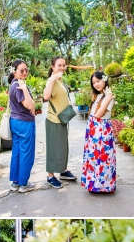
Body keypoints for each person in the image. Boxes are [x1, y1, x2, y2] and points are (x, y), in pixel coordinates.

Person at [42, 56, 78, 188]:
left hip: (62, 120)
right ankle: (50, 176)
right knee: (53, 148)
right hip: (54, 120)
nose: (62, 68)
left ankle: (62, 171)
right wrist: (52, 79)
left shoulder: (60, 80)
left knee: (63, 148)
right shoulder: (52, 80)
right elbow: (46, 96)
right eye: (59, 65)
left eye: (64, 65)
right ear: (53, 67)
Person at [81, 70, 117, 193]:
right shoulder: (100, 95)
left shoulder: (109, 96)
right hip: (94, 128)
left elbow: (99, 115)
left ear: (105, 79)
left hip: (102, 129)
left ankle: (104, 186)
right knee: (94, 156)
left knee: (103, 157)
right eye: (94, 82)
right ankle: (94, 184)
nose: (96, 84)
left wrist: (107, 98)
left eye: (98, 81)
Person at [7, 59, 37, 193]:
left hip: (15, 121)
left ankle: (16, 182)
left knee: (17, 153)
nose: (25, 73)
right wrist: (25, 89)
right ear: (14, 72)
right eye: (21, 70)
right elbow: (29, 105)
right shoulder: (19, 86)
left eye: (26, 70)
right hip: (24, 123)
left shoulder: (13, 84)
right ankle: (23, 184)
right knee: (26, 154)